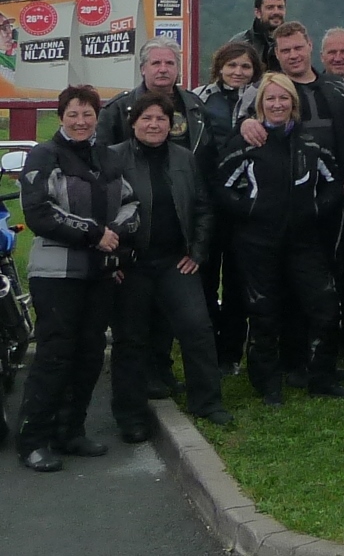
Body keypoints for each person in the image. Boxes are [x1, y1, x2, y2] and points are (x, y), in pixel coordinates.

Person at [236, 22, 344, 378]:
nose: (293, 55)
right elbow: (241, 126)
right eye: (285, 51)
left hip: (337, 198)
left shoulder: (338, 88)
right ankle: (291, 358)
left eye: (298, 48)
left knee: (340, 276)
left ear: (310, 46)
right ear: (276, 54)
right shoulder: (266, 90)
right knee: (287, 284)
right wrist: (244, 125)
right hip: (283, 210)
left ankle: (340, 353)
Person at [12, 86, 140, 472]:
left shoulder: (108, 156)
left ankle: (70, 430)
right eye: (73, 114)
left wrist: (116, 232)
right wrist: (94, 233)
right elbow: (38, 212)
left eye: (88, 114)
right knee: (55, 355)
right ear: (61, 117)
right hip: (56, 273)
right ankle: (33, 440)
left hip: (99, 273)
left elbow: (131, 203)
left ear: (97, 117)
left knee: (89, 354)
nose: (81, 122)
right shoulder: (44, 155)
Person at [217, 72, 344, 406]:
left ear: (293, 103)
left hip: (304, 241)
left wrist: (315, 210)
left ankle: (321, 377)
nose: (277, 105)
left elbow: (334, 184)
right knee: (263, 313)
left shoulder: (311, 143)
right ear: (260, 104)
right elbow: (220, 186)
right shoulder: (245, 143)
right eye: (271, 99)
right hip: (257, 243)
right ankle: (267, 384)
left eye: (283, 98)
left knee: (325, 307)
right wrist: (251, 210)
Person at [106, 92, 232, 443]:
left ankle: (207, 402)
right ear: (133, 123)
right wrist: (112, 260)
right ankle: (131, 416)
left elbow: (204, 207)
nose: (154, 125)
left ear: (171, 124)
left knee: (197, 329)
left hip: (175, 262)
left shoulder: (184, 159)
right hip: (130, 265)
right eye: (146, 118)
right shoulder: (113, 158)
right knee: (130, 340)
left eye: (161, 119)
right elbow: (100, 210)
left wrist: (198, 252)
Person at [95, 36, 210, 399]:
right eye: (156, 63)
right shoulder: (117, 112)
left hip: (177, 242)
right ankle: (134, 396)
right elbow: (100, 182)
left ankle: (168, 376)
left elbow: (203, 192)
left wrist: (198, 247)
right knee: (132, 329)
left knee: (184, 322)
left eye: (169, 63)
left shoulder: (195, 107)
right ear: (143, 68)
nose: (163, 69)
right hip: (132, 251)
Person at [194, 42, 262, 376]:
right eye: (232, 65)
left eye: (245, 66)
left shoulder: (264, 97)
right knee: (205, 277)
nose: (238, 72)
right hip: (207, 200)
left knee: (238, 281)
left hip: (245, 201)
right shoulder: (200, 98)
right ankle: (207, 346)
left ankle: (231, 351)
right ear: (219, 67)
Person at [229, 0, 287, 73]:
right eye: (270, 7)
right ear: (258, 13)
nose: (276, 12)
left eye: (280, 7)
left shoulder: (294, 44)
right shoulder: (240, 43)